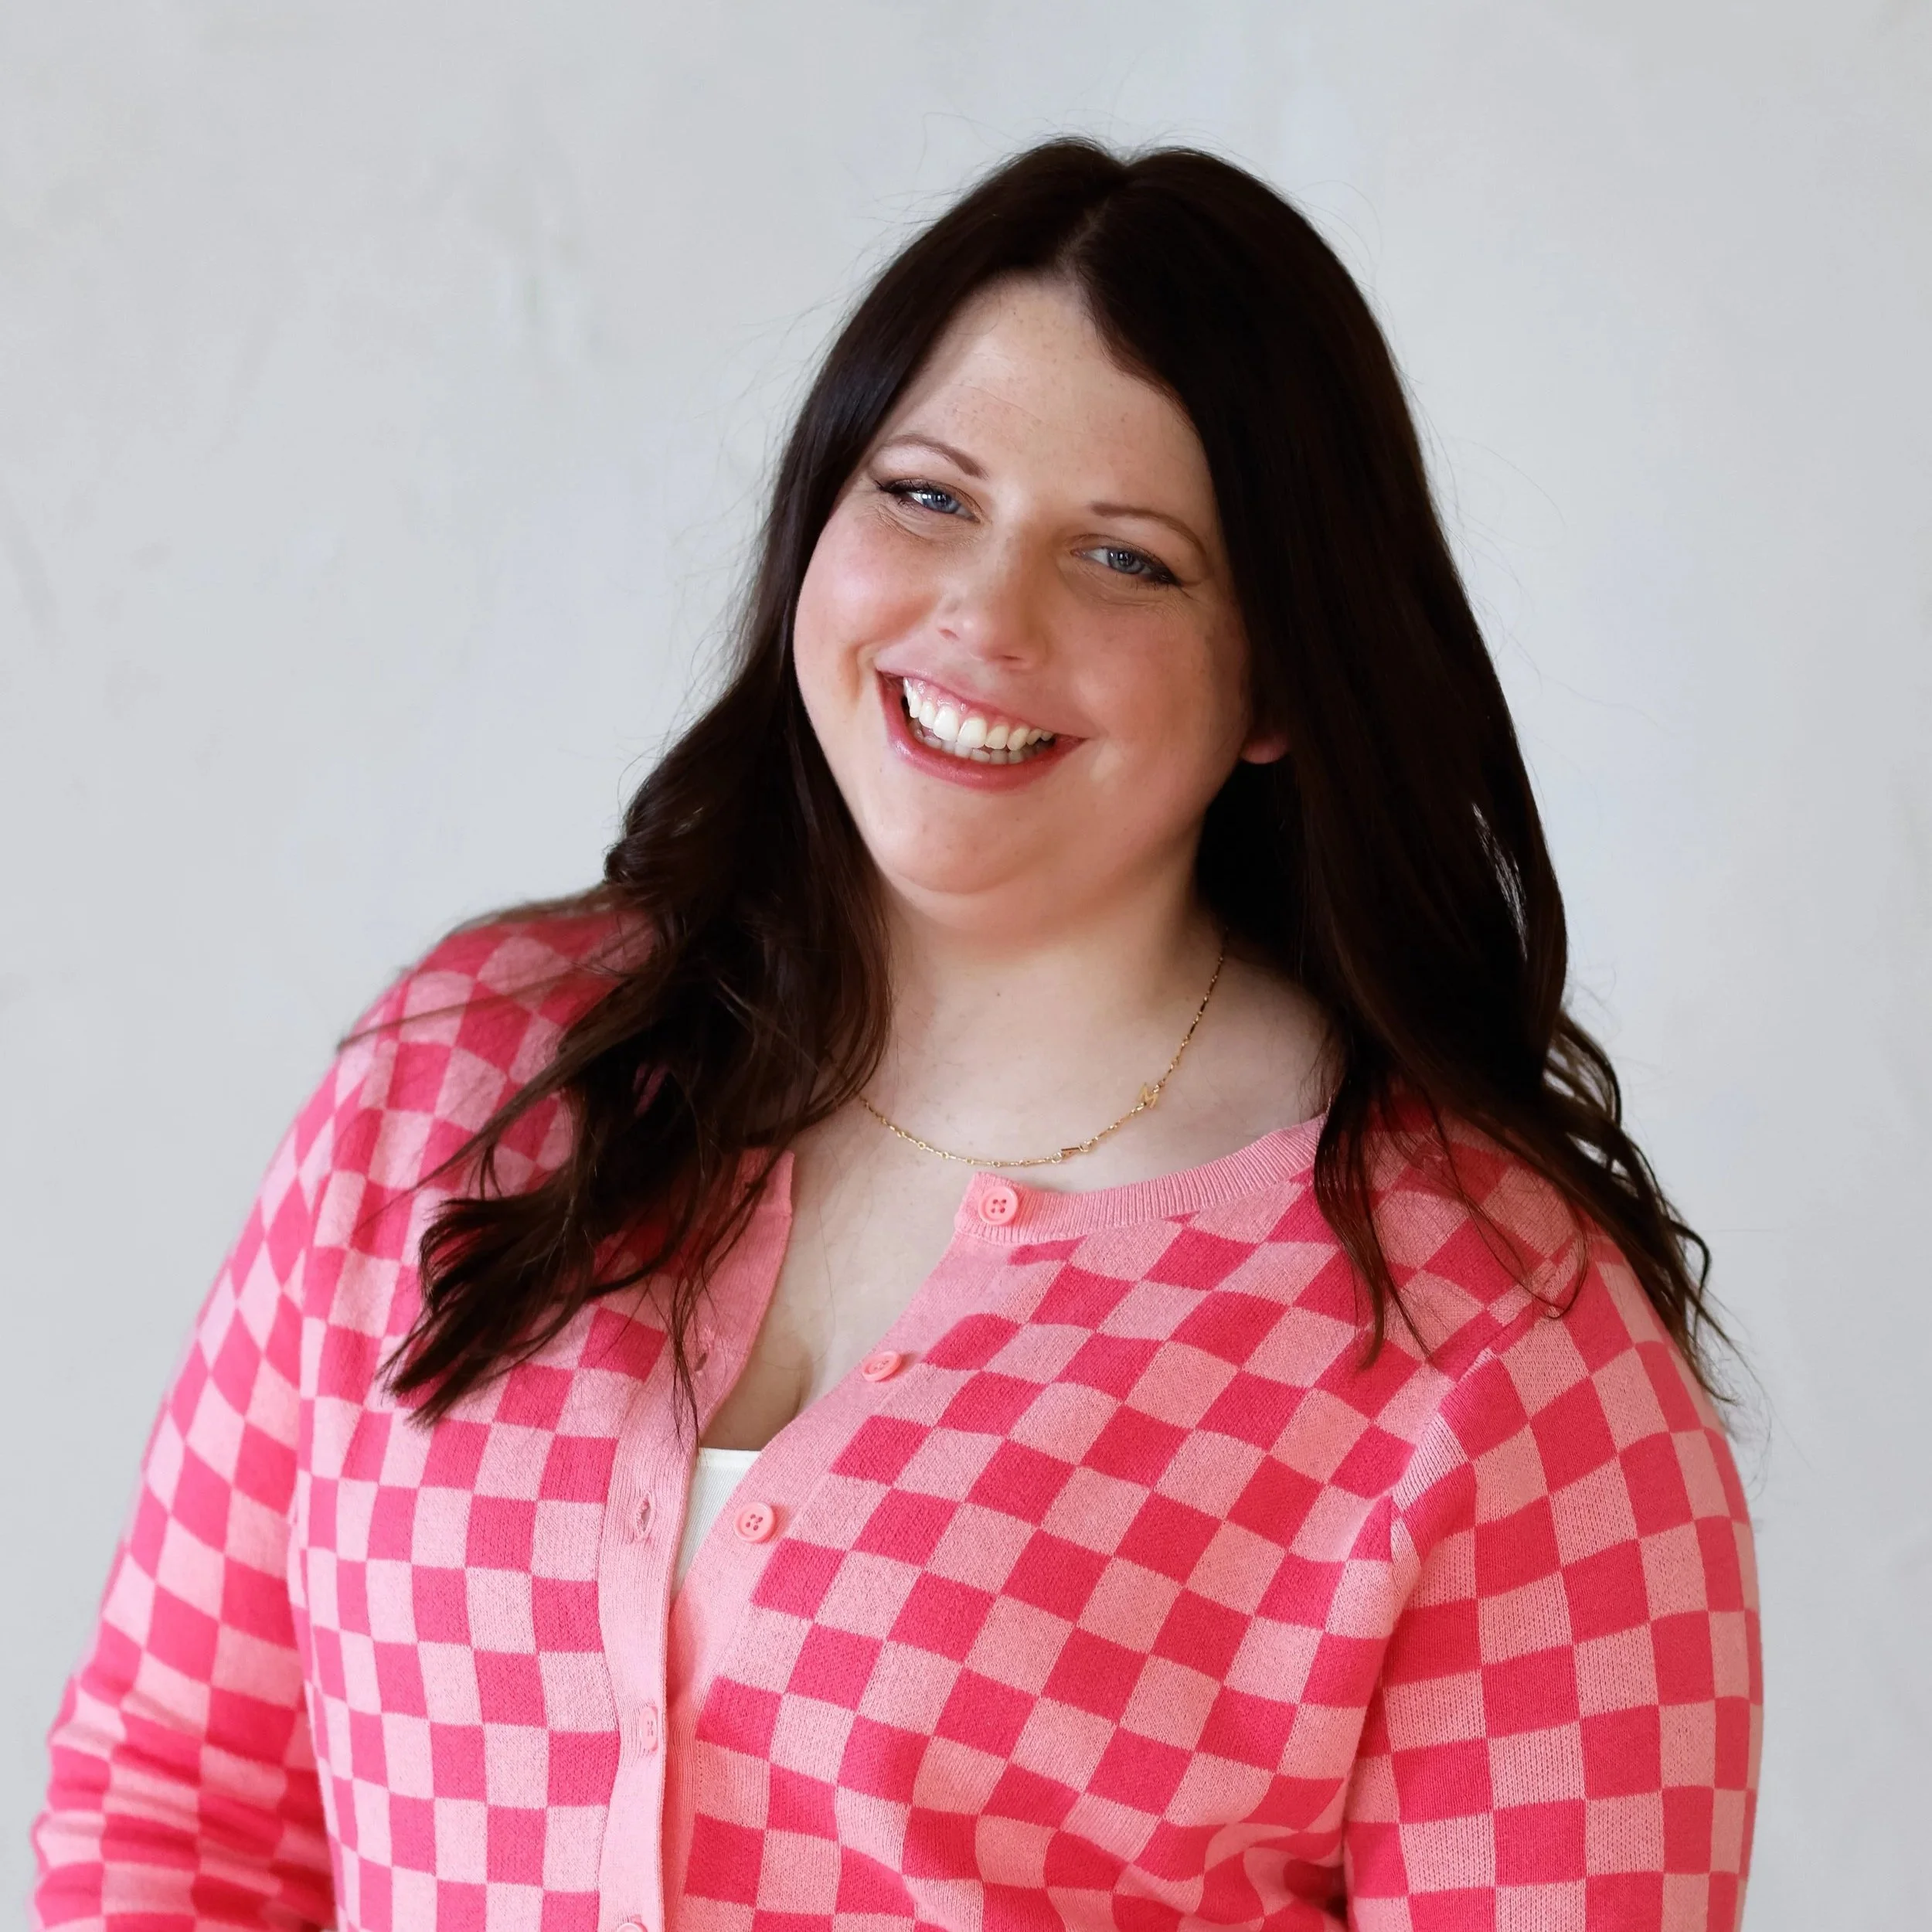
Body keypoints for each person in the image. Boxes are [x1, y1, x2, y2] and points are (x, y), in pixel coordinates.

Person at [33, 140, 1759, 1932]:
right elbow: (179, 1808)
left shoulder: (1492, 1344)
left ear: (1276, 685)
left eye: (1126, 558)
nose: (984, 618)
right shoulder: (459, 1079)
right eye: (928, 496)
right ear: (819, 524)